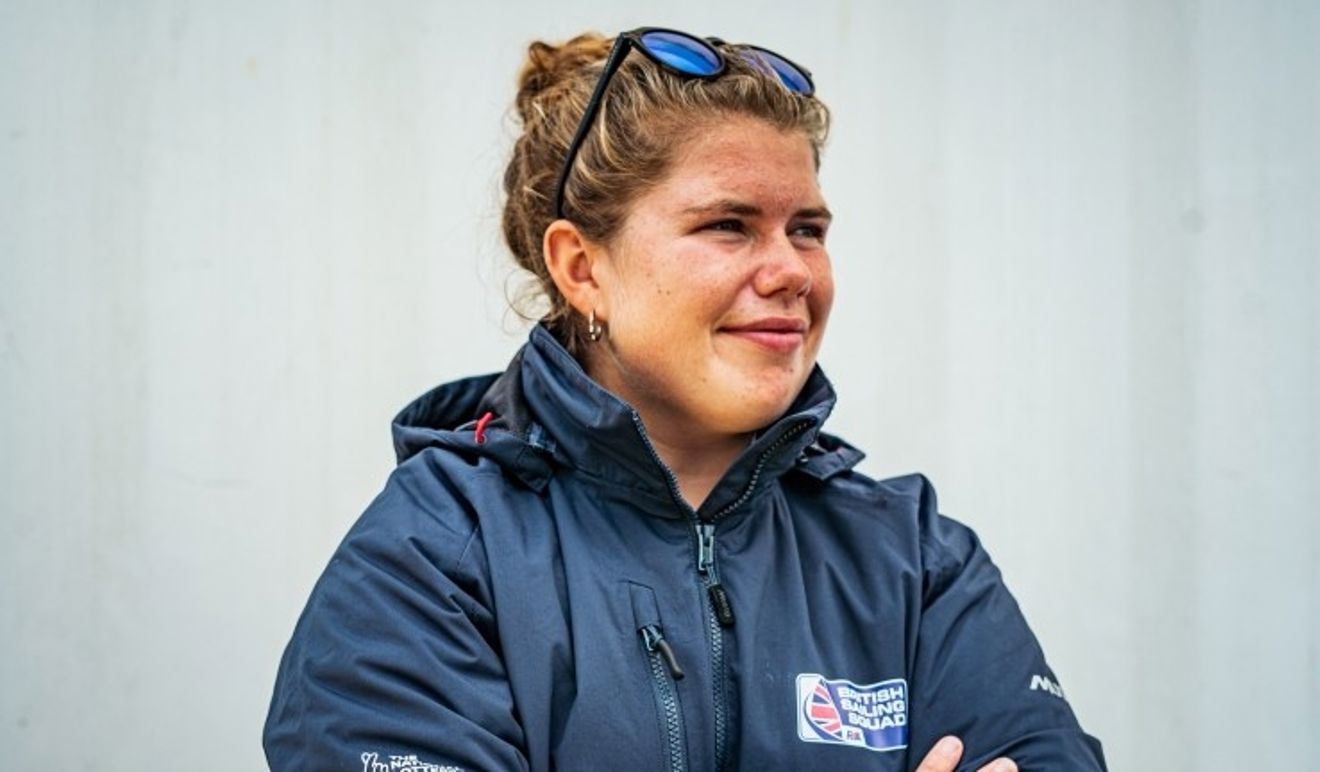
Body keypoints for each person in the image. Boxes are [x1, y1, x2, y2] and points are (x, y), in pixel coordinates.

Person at [263, 28, 1107, 772]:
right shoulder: (434, 559)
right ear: (582, 268)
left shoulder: (912, 562)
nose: (791, 271)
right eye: (728, 225)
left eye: (807, 230)